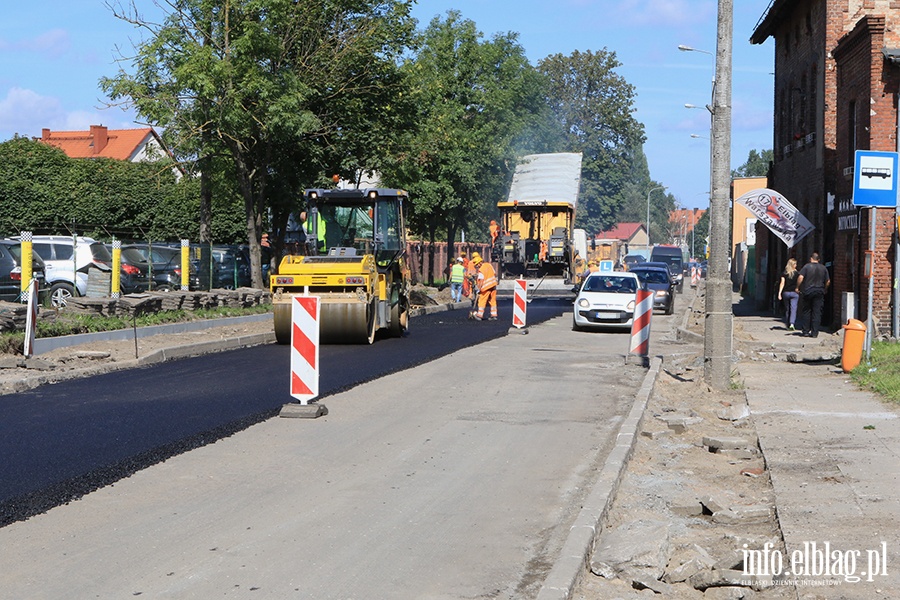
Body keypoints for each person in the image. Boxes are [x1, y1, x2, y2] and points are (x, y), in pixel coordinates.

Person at [797, 252, 830, 338]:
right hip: (819, 291)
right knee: (817, 312)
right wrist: (825, 289)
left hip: (808, 291)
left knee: (807, 311)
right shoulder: (823, 268)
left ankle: (805, 331)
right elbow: (828, 281)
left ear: (811, 258)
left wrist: (797, 287)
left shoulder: (807, 267)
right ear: (818, 260)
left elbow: (800, 277)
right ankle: (815, 332)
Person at [472, 254, 498, 320]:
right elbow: (494, 273)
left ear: (480, 262)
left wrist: (478, 289)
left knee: (482, 300)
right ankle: (494, 315)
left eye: (477, 264)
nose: (477, 266)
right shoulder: (489, 265)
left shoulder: (481, 270)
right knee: (492, 300)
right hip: (493, 285)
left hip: (486, 287)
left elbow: (481, 280)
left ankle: (479, 315)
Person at [777, 258, 800, 330]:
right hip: (794, 293)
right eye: (795, 264)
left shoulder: (784, 273)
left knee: (787, 309)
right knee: (793, 308)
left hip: (786, 293)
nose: (796, 265)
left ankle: (788, 323)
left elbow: (782, 283)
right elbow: (799, 282)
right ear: (793, 265)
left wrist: (779, 293)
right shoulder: (797, 274)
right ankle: (792, 324)